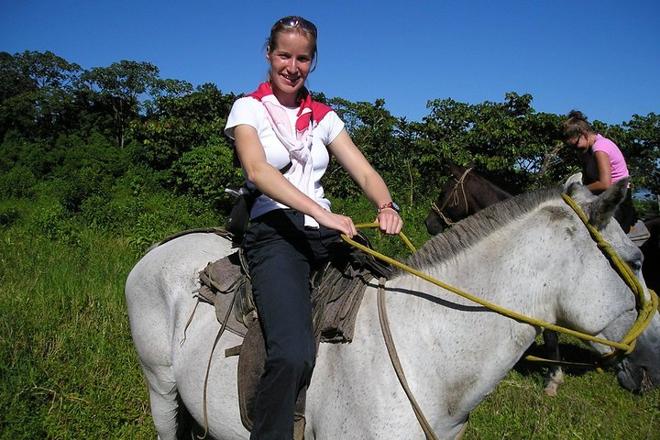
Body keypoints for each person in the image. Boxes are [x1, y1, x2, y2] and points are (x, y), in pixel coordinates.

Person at [224, 16, 403, 439]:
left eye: (302, 58)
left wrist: (385, 203)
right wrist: (322, 214)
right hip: (274, 230)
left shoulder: (324, 117)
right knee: (291, 353)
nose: (292, 66)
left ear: (313, 61)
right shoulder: (248, 108)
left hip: (324, 231)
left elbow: (362, 171)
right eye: (284, 55)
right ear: (268, 54)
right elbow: (257, 170)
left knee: (394, 301)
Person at [562, 110, 636, 232]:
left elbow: (604, 184)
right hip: (600, 197)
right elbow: (588, 181)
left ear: (584, 134)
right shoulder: (586, 152)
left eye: (575, 145)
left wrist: (574, 190)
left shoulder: (601, 148)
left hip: (618, 199)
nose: (575, 150)